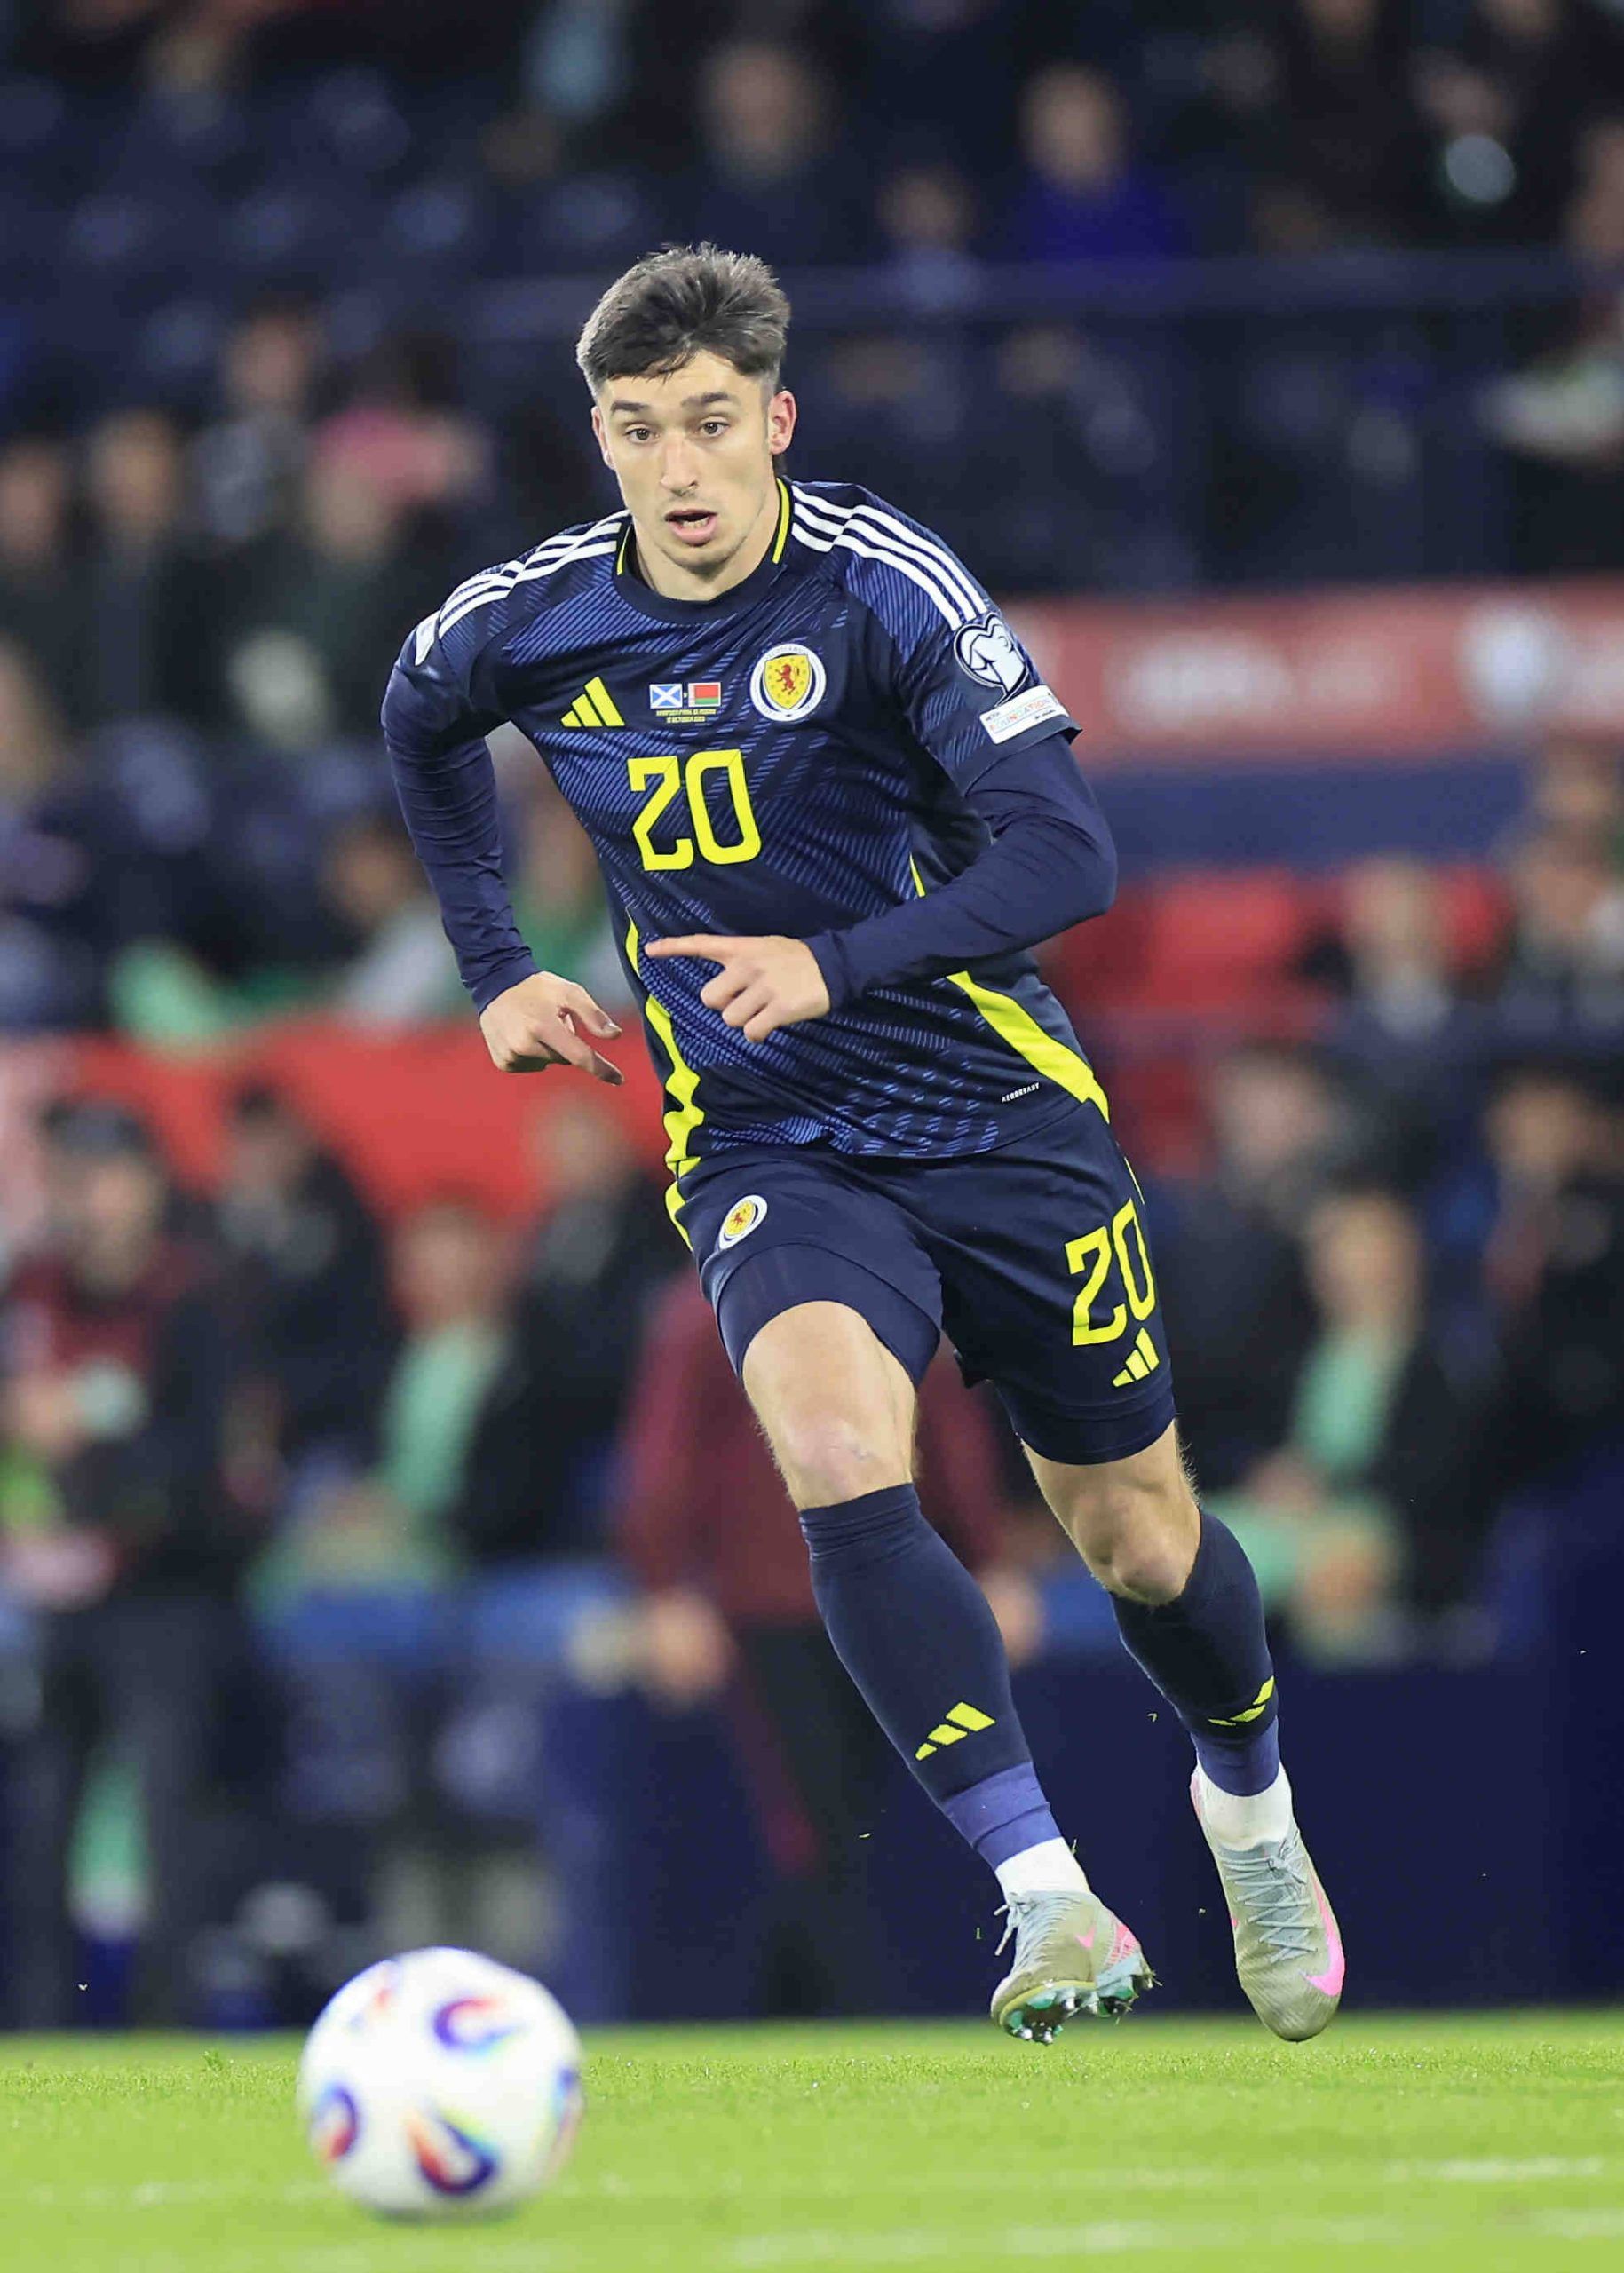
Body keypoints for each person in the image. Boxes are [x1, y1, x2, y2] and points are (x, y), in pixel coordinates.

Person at [382, 243, 1342, 2047]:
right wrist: (496, 962)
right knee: (829, 1447)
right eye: (635, 427)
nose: (675, 466)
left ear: (777, 422)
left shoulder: (881, 585)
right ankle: (1041, 1893)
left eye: (709, 423)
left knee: (1135, 1537)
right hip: (762, 1130)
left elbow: (1067, 855)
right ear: (600, 439)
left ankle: (1247, 1802)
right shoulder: (531, 613)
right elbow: (416, 714)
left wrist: (828, 963)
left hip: (990, 1113)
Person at [619, 1271, 1039, 2017]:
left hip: (864, 1597)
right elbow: (665, 1458)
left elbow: (944, 1432)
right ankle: (843, 2013)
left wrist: (990, 1564)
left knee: (839, 1822)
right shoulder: (712, 1312)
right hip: (777, 1605)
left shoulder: (871, 1294)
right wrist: (664, 1589)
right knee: (815, 1824)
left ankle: (788, 2019)